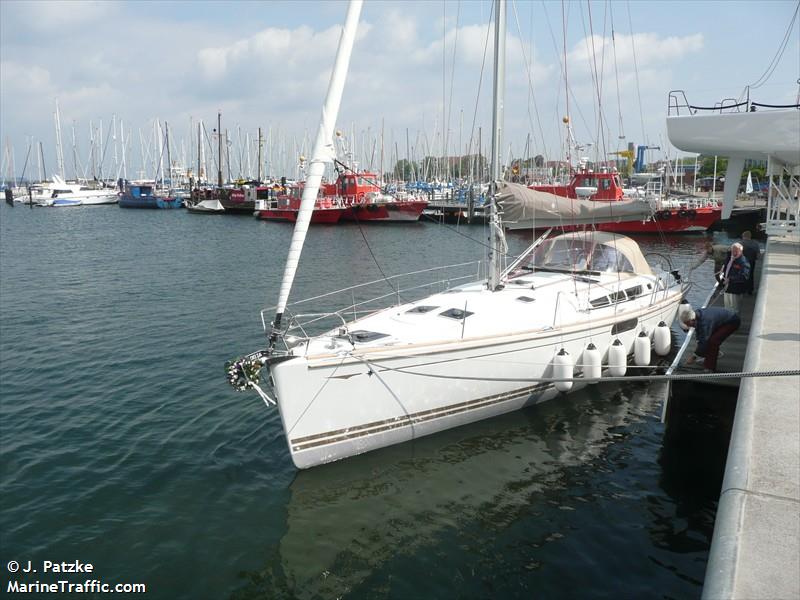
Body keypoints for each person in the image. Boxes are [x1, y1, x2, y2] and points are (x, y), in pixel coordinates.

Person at [680, 307, 741, 372]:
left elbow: (704, 340)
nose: (688, 326)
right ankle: (708, 356)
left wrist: (694, 357)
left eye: (687, 323)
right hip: (722, 320)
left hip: (732, 321)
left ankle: (710, 368)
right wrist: (699, 343)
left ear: (692, 320)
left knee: (713, 341)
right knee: (706, 341)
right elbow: (699, 332)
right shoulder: (696, 315)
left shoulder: (705, 322)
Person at [717, 242, 750, 314]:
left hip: (736, 289)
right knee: (727, 308)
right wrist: (723, 270)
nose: (734, 252)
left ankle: (734, 323)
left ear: (741, 251)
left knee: (735, 309)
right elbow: (726, 267)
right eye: (733, 251)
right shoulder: (730, 258)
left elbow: (744, 276)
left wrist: (730, 279)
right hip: (727, 287)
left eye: (736, 251)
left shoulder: (743, 262)